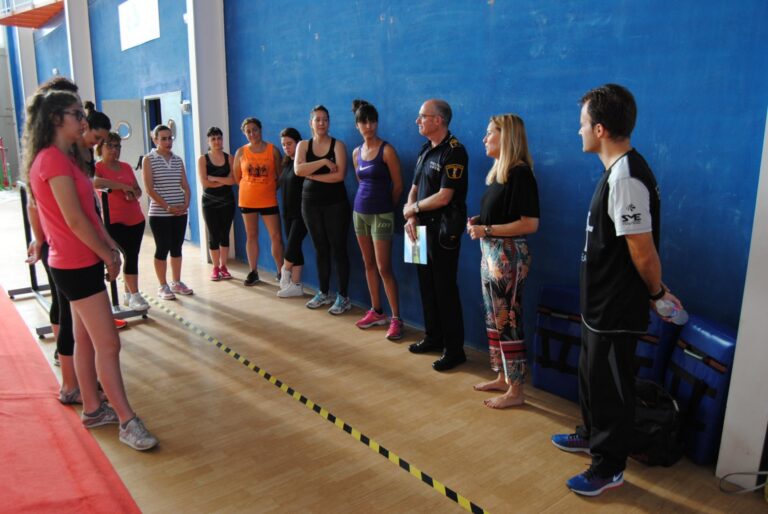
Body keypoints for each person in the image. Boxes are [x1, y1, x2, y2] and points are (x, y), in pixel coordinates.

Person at [551, 84, 683, 496]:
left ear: (602, 129)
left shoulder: (626, 177)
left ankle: (609, 467)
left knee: (611, 387)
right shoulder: (616, 172)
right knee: (592, 378)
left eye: (583, 125)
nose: (579, 132)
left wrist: (658, 294)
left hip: (616, 307)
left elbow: (642, 250)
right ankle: (592, 434)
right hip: (598, 304)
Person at [24, 89, 158, 450]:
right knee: (108, 343)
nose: (82, 120)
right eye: (73, 113)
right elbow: (74, 220)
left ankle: (94, 408)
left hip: (79, 261)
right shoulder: (51, 160)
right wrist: (107, 254)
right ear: (55, 119)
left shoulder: (68, 158)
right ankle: (127, 420)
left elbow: (90, 211)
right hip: (74, 263)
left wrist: (109, 245)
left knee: (85, 339)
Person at [467, 114, 540, 408]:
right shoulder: (501, 173)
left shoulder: (521, 174)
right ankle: (502, 376)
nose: (485, 138)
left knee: (508, 320)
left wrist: (486, 229)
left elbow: (529, 224)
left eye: (489, 133)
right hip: (491, 254)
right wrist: (481, 222)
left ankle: (516, 390)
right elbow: (502, 215)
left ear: (506, 136)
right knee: (493, 318)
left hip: (508, 256)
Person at [403, 99, 468, 371]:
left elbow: (444, 196)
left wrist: (413, 208)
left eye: (422, 116)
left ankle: (454, 350)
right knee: (426, 285)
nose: (418, 121)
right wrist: (411, 214)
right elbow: (415, 187)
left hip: (442, 231)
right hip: (417, 229)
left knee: (444, 289)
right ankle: (433, 336)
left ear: (438, 120)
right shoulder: (424, 149)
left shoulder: (454, 152)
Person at [350, 99, 404, 340]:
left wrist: (386, 208)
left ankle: (396, 318)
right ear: (357, 125)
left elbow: (398, 186)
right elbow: (360, 182)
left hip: (382, 215)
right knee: (368, 264)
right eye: (364, 121)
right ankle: (377, 311)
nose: (369, 125)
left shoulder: (387, 150)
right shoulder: (355, 153)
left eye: (372, 121)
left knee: (384, 267)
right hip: (359, 214)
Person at [294, 105, 352, 314]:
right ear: (311, 122)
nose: (321, 123)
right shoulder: (303, 145)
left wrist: (312, 174)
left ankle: (343, 297)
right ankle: (324, 292)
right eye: (317, 119)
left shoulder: (338, 145)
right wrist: (324, 162)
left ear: (329, 122)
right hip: (310, 203)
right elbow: (298, 169)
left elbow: (338, 176)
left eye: (325, 119)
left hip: (335, 204)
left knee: (338, 248)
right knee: (321, 249)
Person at [94, 132, 148, 312]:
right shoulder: (98, 167)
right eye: (110, 145)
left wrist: (133, 192)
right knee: (123, 255)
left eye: (117, 146)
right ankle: (134, 294)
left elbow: (137, 189)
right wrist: (122, 187)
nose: (114, 150)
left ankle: (130, 294)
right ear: (100, 147)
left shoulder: (125, 167)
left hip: (135, 218)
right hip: (114, 220)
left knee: (132, 256)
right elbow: (95, 182)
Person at [142, 124, 193, 300]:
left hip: (179, 213)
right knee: (162, 248)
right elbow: (149, 189)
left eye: (170, 138)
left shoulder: (178, 160)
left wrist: (186, 203)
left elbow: (185, 185)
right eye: (163, 138)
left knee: (177, 248)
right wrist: (167, 207)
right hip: (160, 214)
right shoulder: (149, 159)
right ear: (155, 140)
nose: (167, 141)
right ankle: (162, 286)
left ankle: (176, 282)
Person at [232, 118, 283, 286]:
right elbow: (237, 177)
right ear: (244, 133)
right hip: (247, 200)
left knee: (275, 235)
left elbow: (280, 174)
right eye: (248, 131)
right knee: (251, 235)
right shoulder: (241, 152)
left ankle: (281, 272)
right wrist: (251, 188)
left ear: (260, 130)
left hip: (268, 199)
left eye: (255, 130)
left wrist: (267, 188)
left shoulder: (272, 150)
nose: (252, 134)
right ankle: (253, 272)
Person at [197, 126, 235, 281]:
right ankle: (215, 267)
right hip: (209, 202)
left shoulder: (229, 158)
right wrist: (222, 181)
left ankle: (224, 266)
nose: (217, 141)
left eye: (219, 138)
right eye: (213, 139)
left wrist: (215, 178)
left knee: (225, 234)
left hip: (227, 201)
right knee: (213, 235)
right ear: (208, 141)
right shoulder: (203, 159)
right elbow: (204, 183)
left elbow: (233, 180)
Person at [276, 127, 307, 298]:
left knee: (291, 246)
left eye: (289, 144)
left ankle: (285, 271)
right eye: (283, 144)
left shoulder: (302, 163)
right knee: (295, 248)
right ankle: (296, 285)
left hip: (301, 214)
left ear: (298, 143)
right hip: (287, 213)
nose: (286, 147)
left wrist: (285, 267)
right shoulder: (287, 163)